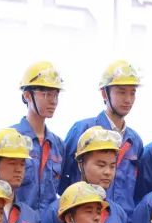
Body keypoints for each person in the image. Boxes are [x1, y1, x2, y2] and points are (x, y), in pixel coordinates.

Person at [38, 127, 130, 223]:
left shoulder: (119, 215)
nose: (108, 172)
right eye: (101, 165)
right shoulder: (59, 209)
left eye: (112, 166)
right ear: (81, 164)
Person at [60, 60, 144, 215]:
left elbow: (138, 190)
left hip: (121, 222)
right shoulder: (83, 129)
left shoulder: (135, 141)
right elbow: (61, 177)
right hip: (84, 217)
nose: (128, 99)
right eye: (121, 92)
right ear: (104, 93)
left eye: (132, 93)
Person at [13, 61, 66, 211]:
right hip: (17, 221)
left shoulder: (58, 145)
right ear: (27, 95)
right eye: (47, 94)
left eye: (56, 94)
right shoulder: (11, 139)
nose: (53, 101)